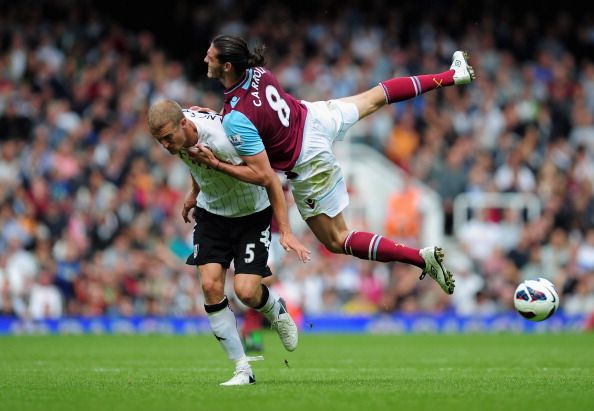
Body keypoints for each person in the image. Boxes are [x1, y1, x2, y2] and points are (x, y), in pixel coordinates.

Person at [191, 35, 477, 295]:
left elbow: (262, 173)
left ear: (227, 66)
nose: (205, 58)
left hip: (307, 160)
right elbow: (252, 117)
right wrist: (217, 118)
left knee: (337, 240)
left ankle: (420, 259)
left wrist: (215, 163)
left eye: (210, 55)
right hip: (315, 117)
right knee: (376, 97)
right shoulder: (257, 73)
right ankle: (452, 75)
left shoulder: (235, 116)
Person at [147, 99, 299, 386]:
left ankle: (275, 309)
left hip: (252, 215)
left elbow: (268, 180)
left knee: (246, 291)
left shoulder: (224, 139)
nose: (166, 146)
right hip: (212, 214)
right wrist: (194, 192)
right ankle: (243, 368)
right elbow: (190, 158)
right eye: (160, 141)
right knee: (210, 285)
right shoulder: (178, 133)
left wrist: (287, 231)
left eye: (167, 138)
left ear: (184, 124)